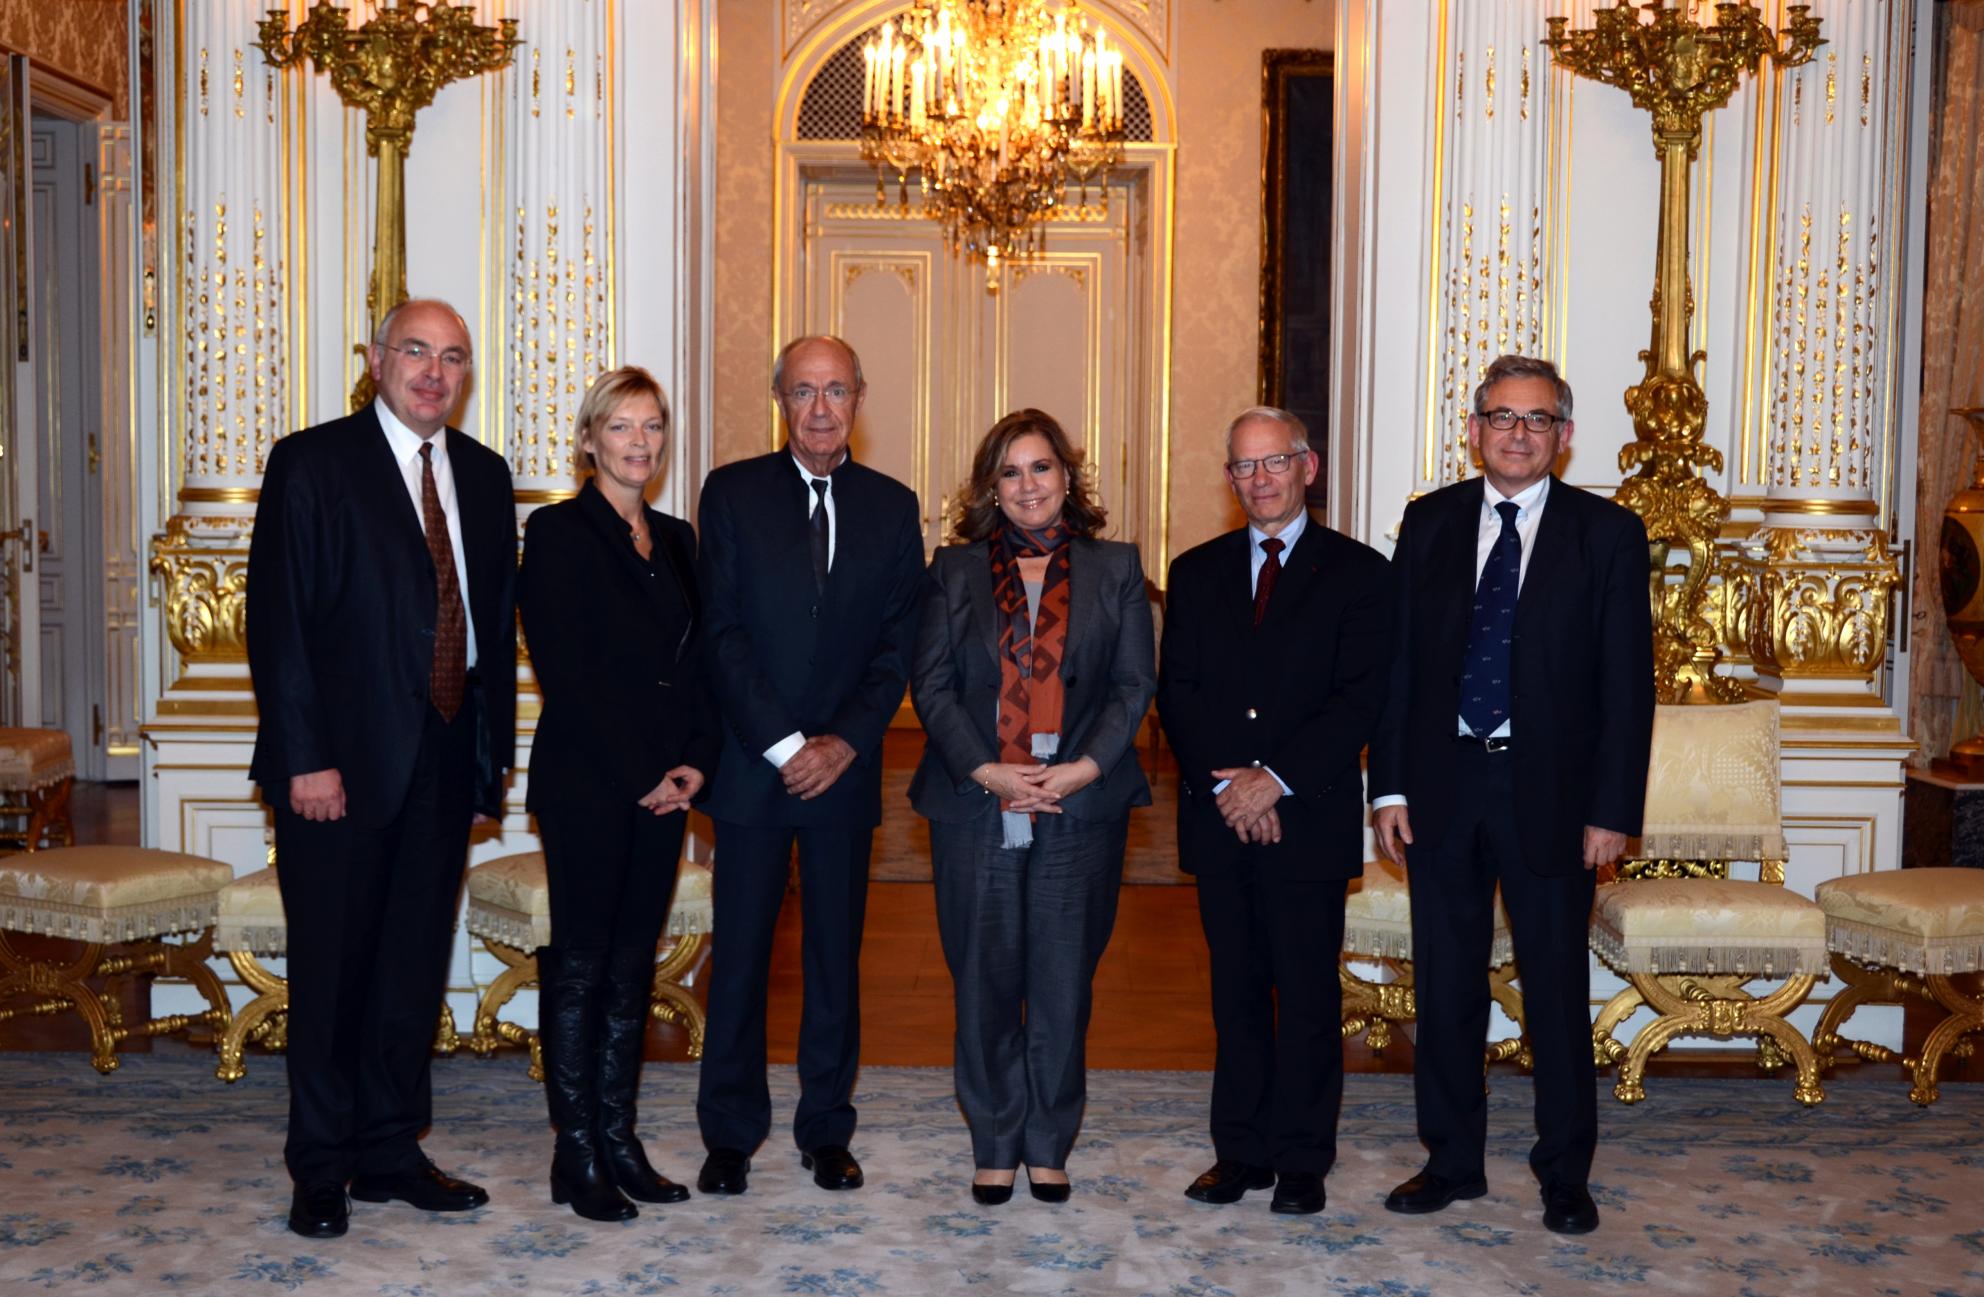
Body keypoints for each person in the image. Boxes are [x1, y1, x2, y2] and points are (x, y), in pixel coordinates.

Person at [247, 298, 518, 1238]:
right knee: (333, 972)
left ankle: (390, 1151)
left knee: (411, 968)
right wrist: (305, 759)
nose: (434, 372)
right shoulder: (312, 462)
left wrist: (486, 765)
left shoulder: (484, 475)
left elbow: (490, 631)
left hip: (445, 757)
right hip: (339, 767)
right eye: (416, 351)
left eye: (453, 357)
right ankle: (321, 1165)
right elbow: (278, 623)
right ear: (376, 358)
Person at [1368, 353, 1653, 1236]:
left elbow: (1627, 687)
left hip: (1555, 798)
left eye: (1536, 419)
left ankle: (1565, 1174)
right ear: (1474, 429)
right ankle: (1451, 1161)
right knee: (1445, 985)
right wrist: (1389, 787)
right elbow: (1399, 666)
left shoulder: (1607, 533)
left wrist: (1612, 811)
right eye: (1502, 416)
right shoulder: (1430, 522)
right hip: (1443, 788)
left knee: (1556, 993)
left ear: (1564, 435)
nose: (1518, 433)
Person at [693, 335, 924, 1196]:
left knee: (834, 960)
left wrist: (844, 742)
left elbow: (900, 645)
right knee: (741, 958)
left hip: (846, 771)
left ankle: (827, 1128)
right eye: (803, 391)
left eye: (835, 390)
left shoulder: (893, 507)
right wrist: (789, 745)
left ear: (860, 397)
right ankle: (729, 1134)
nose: (820, 408)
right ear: (780, 400)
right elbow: (721, 632)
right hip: (754, 769)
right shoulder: (732, 493)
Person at [908, 409, 1155, 1206]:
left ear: (1067, 475)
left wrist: (1082, 768)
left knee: (1061, 980)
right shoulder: (953, 570)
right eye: (1009, 472)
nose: (1027, 485)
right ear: (991, 487)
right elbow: (931, 685)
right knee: (982, 977)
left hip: (1081, 799)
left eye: (1041, 467)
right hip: (977, 798)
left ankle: (1048, 1141)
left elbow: (1132, 685)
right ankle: (993, 1139)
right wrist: (989, 771)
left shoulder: (1116, 566)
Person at [1157, 406, 1391, 1217]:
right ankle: (1239, 1150)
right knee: (1235, 993)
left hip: (1308, 817)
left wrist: (1275, 779)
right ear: (1229, 477)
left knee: (1307, 996)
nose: (1260, 480)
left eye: (1275, 462)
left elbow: (1358, 699)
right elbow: (1178, 693)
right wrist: (1234, 789)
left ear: (1308, 467)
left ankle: (1301, 1157)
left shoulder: (1360, 573)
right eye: (1244, 466)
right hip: (1221, 816)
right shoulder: (1195, 571)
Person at [518, 366, 718, 1222]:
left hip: (668, 788)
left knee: (635, 962)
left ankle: (619, 1138)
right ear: (589, 439)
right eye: (622, 425)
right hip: (590, 783)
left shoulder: (677, 538)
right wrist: (645, 771)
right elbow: (568, 671)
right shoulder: (557, 532)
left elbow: (700, 664)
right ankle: (577, 1151)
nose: (640, 441)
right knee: (583, 963)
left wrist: (695, 764)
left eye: (652, 425)